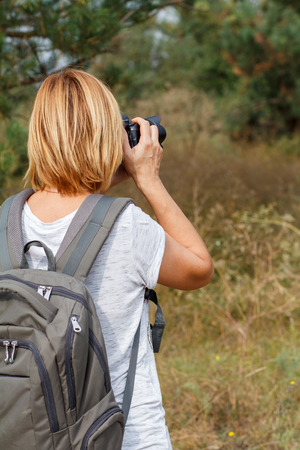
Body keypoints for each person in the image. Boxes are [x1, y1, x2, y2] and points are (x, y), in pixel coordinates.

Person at [22, 69, 213, 449]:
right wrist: (148, 179)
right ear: (103, 135)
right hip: (125, 435)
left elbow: (67, 202)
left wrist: (95, 182)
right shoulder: (124, 225)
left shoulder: (7, 222)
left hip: (33, 433)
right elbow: (199, 268)